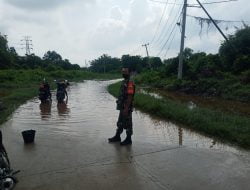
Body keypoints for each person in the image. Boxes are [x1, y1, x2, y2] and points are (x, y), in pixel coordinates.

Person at [108, 67, 135, 146]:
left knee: (128, 123)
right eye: (122, 72)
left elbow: (130, 96)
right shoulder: (124, 81)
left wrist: (126, 108)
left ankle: (128, 139)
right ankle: (117, 136)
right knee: (120, 122)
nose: (123, 73)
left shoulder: (130, 82)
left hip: (127, 107)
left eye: (125, 72)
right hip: (122, 106)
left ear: (129, 72)